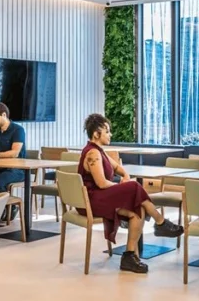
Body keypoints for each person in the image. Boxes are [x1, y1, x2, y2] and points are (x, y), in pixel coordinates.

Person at [78, 114, 183, 274]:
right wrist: (123, 186)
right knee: (133, 187)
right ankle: (160, 222)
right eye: (107, 131)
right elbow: (101, 183)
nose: (110, 134)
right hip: (91, 202)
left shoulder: (99, 151)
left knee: (137, 209)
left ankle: (129, 255)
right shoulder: (92, 153)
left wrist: (125, 176)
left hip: (100, 198)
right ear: (96, 134)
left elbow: (117, 168)